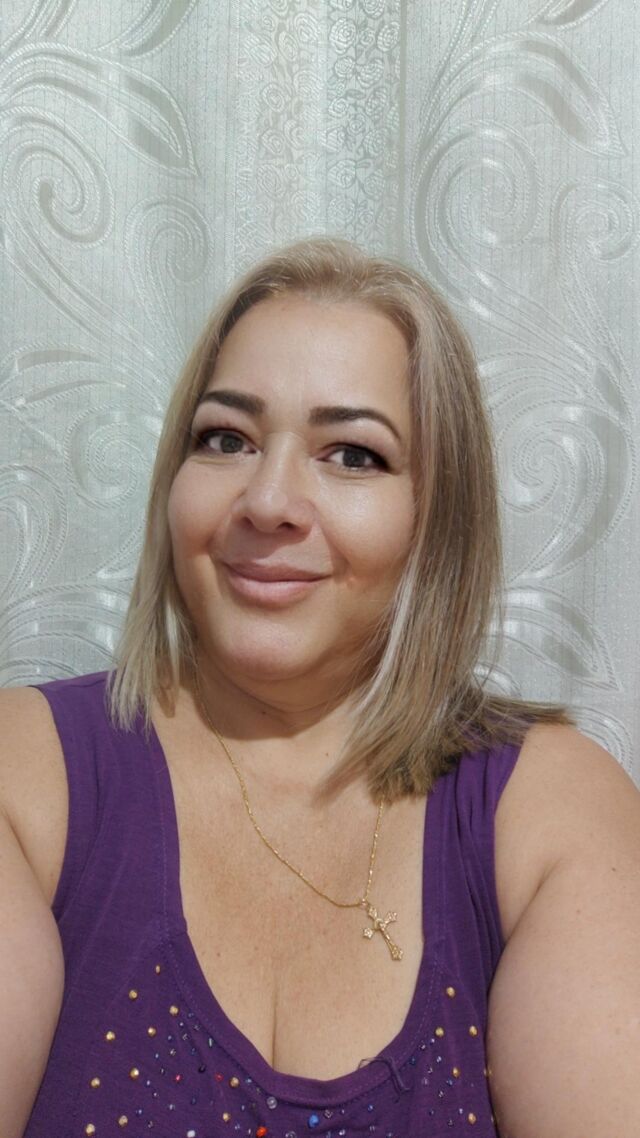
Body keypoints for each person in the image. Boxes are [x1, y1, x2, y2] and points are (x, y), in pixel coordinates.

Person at [1, 238, 639, 1138]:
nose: (268, 501)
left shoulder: (550, 809)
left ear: (436, 517)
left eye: (352, 455)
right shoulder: (29, 774)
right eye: (226, 439)